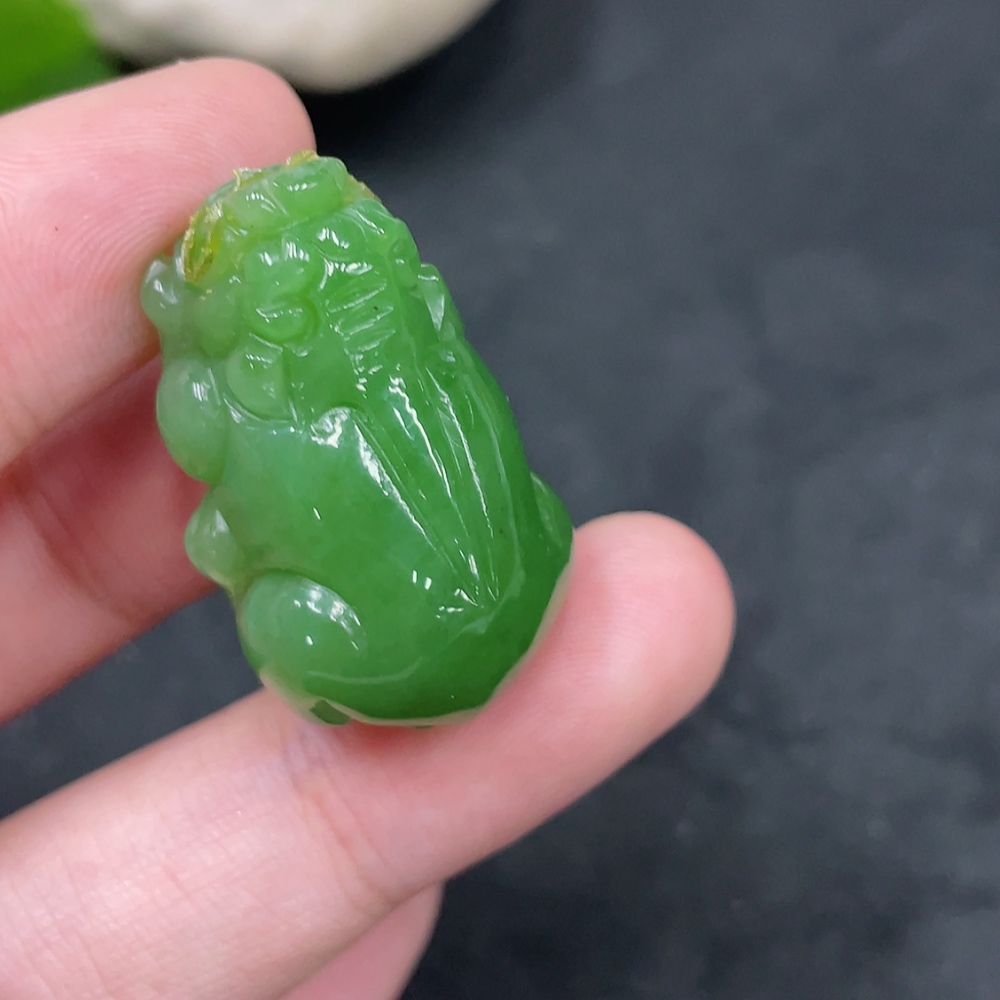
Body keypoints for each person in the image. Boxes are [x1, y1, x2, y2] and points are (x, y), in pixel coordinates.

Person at [0, 59, 734, 1000]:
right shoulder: (408, 360)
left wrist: (182, 321)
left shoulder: (255, 396)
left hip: (393, 643)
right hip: (519, 584)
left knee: (311, 595)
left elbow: (204, 444)